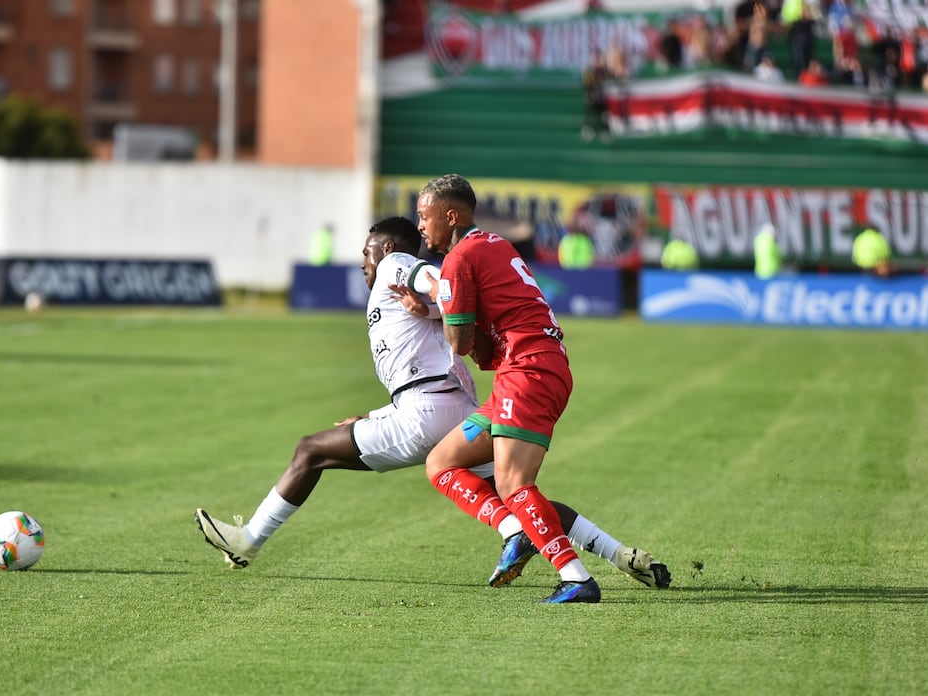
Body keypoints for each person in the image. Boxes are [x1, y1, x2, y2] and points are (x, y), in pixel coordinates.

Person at [196, 218, 669, 594]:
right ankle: (620, 554)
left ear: (386, 250)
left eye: (366, 250)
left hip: (425, 413)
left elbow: (433, 276)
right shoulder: (407, 299)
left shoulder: (394, 264)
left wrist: (441, 288)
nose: (363, 261)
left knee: (310, 451)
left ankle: (248, 542)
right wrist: (375, 416)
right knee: (521, 494)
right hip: (450, 409)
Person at [415, 174, 668, 603]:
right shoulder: (494, 244)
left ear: (450, 215)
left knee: (513, 483)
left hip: (527, 371)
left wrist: (434, 302)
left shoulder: (459, 259)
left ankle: (577, 580)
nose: (420, 225)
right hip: (531, 368)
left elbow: (458, 341)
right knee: (442, 462)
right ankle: (519, 532)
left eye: (424, 216)